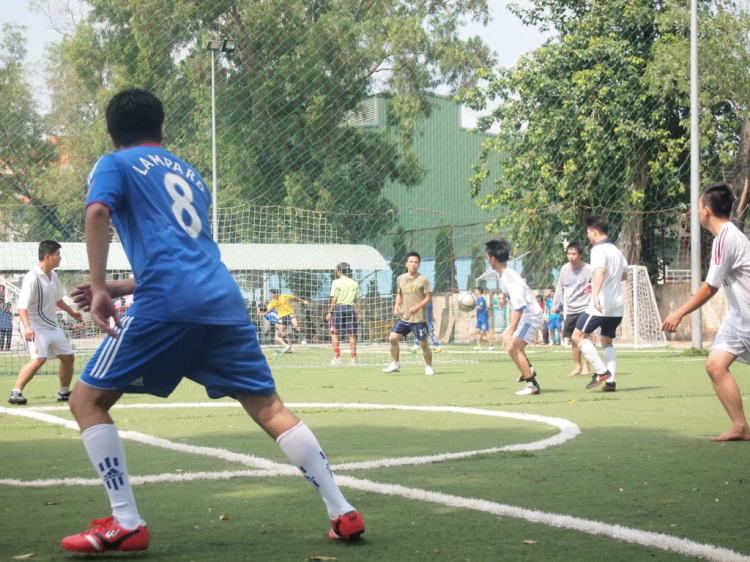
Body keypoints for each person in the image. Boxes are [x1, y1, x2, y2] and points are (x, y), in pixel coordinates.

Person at [62, 89, 364, 554]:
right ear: (162, 129)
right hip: (221, 299)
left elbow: (98, 211)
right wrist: (122, 287)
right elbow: (185, 255)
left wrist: (100, 288)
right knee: (270, 407)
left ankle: (126, 522)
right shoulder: (189, 174)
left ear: (112, 134)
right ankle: (342, 510)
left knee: (86, 399)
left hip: (167, 303)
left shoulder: (113, 164)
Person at [663, 182, 750, 441]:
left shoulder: (726, 238)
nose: (697, 211)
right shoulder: (726, 237)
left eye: (698, 205)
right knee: (715, 364)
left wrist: (678, 312)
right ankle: (740, 427)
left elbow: (710, 287)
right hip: (739, 316)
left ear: (706, 210)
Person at [7, 241, 84, 405]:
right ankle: (16, 392)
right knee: (39, 359)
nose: (60, 258)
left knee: (69, 358)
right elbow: (21, 307)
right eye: (58, 255)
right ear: (48, 256)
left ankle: (63, 393)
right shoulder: (32, 278)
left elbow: (57, 299)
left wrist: (71, 312)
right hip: (34, 327)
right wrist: (27, 327)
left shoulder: (53, 276)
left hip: (52, 327)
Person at [571, 215, 628, 393]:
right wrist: (595, 283)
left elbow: (601, 270)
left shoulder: (598, 249)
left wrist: (595, 293)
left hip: (601, 304)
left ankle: (602, 371)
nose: (588, 236)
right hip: (617, 305)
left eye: (588, 232)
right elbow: (624, 275)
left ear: (594, 232)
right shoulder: (616, 250)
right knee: (606, 340)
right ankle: (611, 381)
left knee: (577, 336)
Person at [485, 240, 544, 395]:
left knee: (513, 348)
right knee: (513, 347)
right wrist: (505, 299)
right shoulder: (504, 275)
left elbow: (519, 307)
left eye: (487, 257)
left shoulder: (510, 278)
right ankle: (528, 369)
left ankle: (532, 385)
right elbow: (517, 296)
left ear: (492, 258)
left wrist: (510, 330)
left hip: (530, 316)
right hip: (526, 315)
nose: (487, 260)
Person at [382, 252, 435, 376]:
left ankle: (428, 366)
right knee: (392, 338)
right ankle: (395, 364)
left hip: (419, 318)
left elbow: (428, 297)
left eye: (416, 262)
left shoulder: (423, 279)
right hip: (404, 317)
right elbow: (399, 294)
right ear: (406, 263)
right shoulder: (400, 278)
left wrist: (418, 306)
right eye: (411, 262)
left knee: (423, 344)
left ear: (419, 264)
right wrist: (396, 306)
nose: (413, 264)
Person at [551, 242, 592, 376]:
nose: (571, 256)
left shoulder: (589, 269)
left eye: (574, 254)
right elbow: (560, 288)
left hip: (585, 307)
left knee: (583, 338)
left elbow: (597, 287)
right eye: (569, 253)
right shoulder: (564, 269)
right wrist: (555, 304)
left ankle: (587, 367)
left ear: (580, 255)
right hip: (571, 309)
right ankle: (577, 366)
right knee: (574, 339)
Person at [326, 262, 362, 365]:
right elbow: (358, 299)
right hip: (351, 308)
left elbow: (335, 298)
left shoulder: (336, 282)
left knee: (334, 333)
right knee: (352, 335)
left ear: (338, 271)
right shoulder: (354, 283)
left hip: (339, 308)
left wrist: (330, 312)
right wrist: (359, 313)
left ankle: (337, 358)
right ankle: (354, 359)